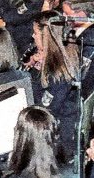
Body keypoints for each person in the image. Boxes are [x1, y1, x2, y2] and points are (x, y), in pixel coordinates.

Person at [25, 11, 82, 157]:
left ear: (46, 39)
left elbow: (42, 110)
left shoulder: (59, 74)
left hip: (57, 137)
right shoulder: (65, 58)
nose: (32, 36)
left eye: (35, 33)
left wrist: (34, 76)